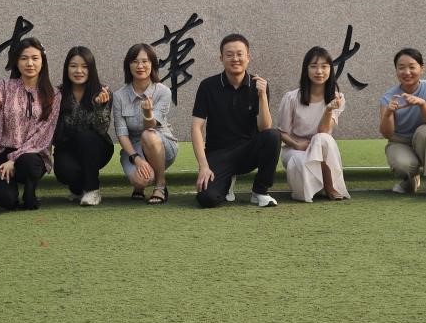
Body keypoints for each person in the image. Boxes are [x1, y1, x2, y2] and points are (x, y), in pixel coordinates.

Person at [0, 37, 60, 210]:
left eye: (35, 58)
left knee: (29, 164)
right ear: (16, 62)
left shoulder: (54, 94)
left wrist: (14, 160)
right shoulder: (4, 86)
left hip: (34, 153)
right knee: (5, 201)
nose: (30, 63)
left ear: (43, 62)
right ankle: (11, 191)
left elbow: (43, 134)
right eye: (24, 58)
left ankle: (30, 191)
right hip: (4, 151)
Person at [192, 33, 281, 208]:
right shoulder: (208, 86)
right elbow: (196, 127)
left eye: (240, 54)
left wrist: (262, 96)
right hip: (218, 154)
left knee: (273, 135)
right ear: (221, 58)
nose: (235, 59)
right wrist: (203, 166)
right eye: (229, 54)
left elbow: (265, 127)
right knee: (207, 199)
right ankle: (227, 182)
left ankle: (260, 191)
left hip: (247, 152)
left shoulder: (258, 85)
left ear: (248, 57)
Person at [278, 46, 350, 202]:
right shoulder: (291, 98)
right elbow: (282, 133)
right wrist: (297, 145)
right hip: (295, 148)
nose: (319, 71)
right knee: (299, 162)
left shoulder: (337, 98)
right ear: (306, 69)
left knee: (322, 138)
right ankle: (312, 187)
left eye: (324, 66)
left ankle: (330, 186)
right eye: (313, 66)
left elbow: (324, 131)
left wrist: (329, 109)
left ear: (330, 69)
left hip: (321, 147)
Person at [112, 43, 178, 204]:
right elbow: (122, 133)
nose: (140, 66)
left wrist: (148, 113)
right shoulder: (119, 96)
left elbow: (151, 127)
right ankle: (142, 184)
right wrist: (136, 159)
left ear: (152, 64)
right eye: (135, 61)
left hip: (161, 143)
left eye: (145, 61)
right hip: (134, 149)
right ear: (128, 66)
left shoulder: (163, 91)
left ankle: (160, 185)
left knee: (148, 135)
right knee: (141, 180)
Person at [379, 47, 426, 198]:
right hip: (400, 142)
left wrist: (422, 104)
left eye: (412, 67)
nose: (407, 72)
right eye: (401, 68)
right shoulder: (388, 97)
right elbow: (387, 133)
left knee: (425, 130)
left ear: (422, 68)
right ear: (396, 71)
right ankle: (410, 180)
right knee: (403, 165)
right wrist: (388, 113)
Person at [52, 46, 114, 206]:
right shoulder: (57, 94)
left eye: (84, 67)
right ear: (67, 68)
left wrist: (100, 107)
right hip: (68, 147)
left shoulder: (103, 92)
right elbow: (55, 130)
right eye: (73, 66)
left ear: (91, 69)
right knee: (65, 172)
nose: (79, 71)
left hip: (97, 147)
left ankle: (93, 190)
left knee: (86, 136)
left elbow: (102, 129)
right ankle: (78, 188)